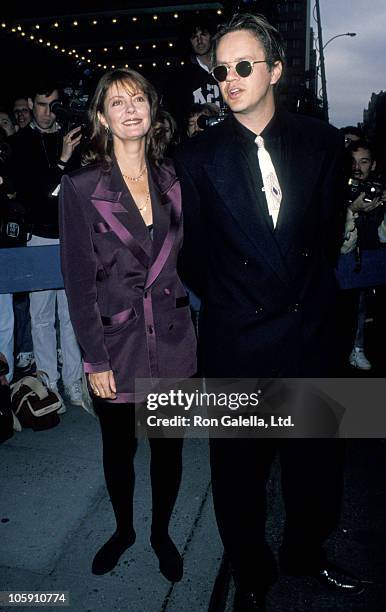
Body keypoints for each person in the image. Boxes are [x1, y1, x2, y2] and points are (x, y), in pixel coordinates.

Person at [175, 12, 362, 611]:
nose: (229, 78)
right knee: (238, 478)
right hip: (238, 341)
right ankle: (252, 576)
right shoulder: (196, 157)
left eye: (244, 66)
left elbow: (329, 234)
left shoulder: (322, 142)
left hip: (309, 336)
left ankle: (306, 554)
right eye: (221, 69)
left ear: (276, 70)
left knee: (315, 471)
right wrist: (237, 302)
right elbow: (191, 257)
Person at [59, 68, 196, 580]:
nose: (131, 107)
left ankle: (161, 533)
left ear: (151, 111)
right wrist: (93, 359)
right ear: (102, 117)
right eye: (117, 102)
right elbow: (78, 282)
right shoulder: (80, 187)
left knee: (168, 452)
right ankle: (124, 530)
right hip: (115, 346)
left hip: (175, 340)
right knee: (119, 451)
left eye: (138, 98)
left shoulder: (173, 179)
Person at [9, 80, 84, 411]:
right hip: (37, 236)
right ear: (29, 102)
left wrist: (67, 159)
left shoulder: (73, 135)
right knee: (40, 316)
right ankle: (48, 383)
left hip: (71, 237)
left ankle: (74, 383)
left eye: (52, 105)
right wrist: (62, 162)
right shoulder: (19, 143)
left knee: (72, 314)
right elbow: (34, 197)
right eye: (40, 104)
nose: (46, 112)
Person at [340, 139, 386, 370]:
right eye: (353, 162)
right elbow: (339, 242)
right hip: (348, 264)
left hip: (373, 260)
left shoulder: (378, 190)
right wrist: (352, 210)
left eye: (364, 162)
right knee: (352, 309)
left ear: (374, 164)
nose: (358, 168)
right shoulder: (335, 190)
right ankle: (354, 349)